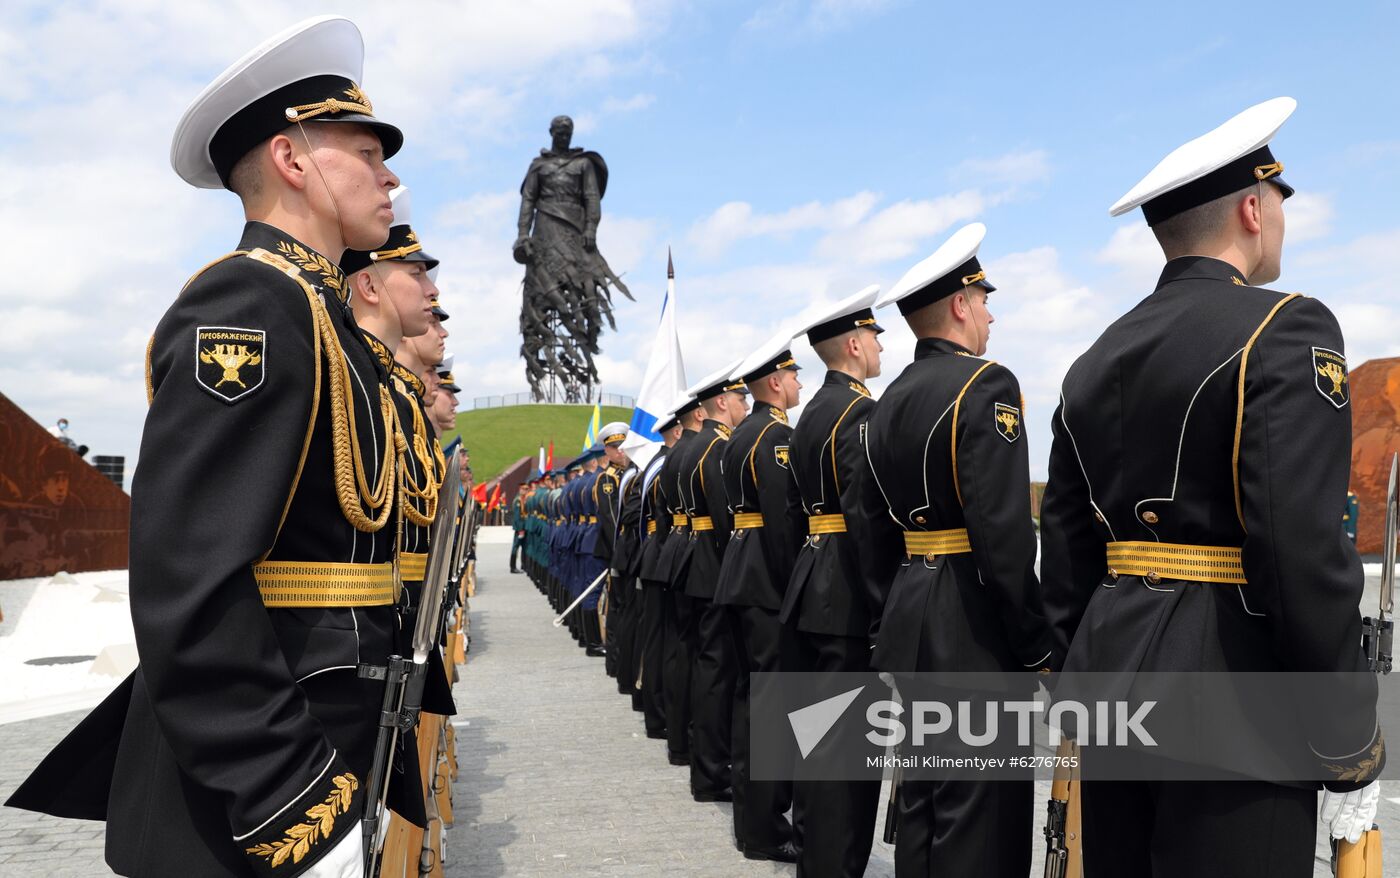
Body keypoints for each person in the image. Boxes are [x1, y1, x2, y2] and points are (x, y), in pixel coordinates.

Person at [8, 16, 406, 877]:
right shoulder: (250, 306)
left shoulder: (321, 316)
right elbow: (189, 577)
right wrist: (289, 794)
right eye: (366, 151)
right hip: (259, 783)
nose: (389, 174)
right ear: (294, 159)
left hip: (329, 722)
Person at [1040, 97, 1383, 877]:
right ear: (1254, 209)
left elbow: (1063, 559)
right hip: (1236, 706)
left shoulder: (1091, 362)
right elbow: (1301, 555)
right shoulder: (1286, 329)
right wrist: (1344, 735)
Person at [856, 223, 1053, 877]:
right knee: (982, 824)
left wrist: (894, 614)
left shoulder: (882, 407)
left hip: (912, 623)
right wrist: (1037, 645)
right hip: (971, 629)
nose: (992, 316)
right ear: (961, 305)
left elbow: (870, 532)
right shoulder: (985, 386)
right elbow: (1004, 536)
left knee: (922, 810)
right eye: (985, 299)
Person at [782, 284, 884, 878]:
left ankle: (818, 858)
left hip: (811, 578)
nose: (877, 346)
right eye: (872, 336)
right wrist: (881, 605)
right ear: (852, 343)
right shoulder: (858, 411)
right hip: (844, 590)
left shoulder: (813, 411)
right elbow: (865, 519)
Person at [715, 328, 805, 863]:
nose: (798, 383)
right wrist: (794, 585)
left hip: (740, 573)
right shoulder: (772, 438)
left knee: (752, 704)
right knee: (770, 710)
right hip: (766, 583)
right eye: (793, 374)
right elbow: (781, 522)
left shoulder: (741, 435)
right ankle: (766, 830)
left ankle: (753, 824)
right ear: (775, 381)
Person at [678, 362, 749, 804]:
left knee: (705, 667)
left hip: (692, 560)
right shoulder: (715, 449)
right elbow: (726, 521)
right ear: (721, 402)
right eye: (740, 398)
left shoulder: (691, 447)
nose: (745, 404)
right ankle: (709, 771)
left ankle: (705, 765)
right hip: (713, 564)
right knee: (717, 674)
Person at [657, 396, 706, 766]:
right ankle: (690, 742)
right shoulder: (704, 450)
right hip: (701, 555)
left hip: (675, 549)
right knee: (699, 656)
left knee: (679, 649)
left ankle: (678, 738)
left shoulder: (671, 456)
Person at [636, 404, 686, 740]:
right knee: (661, 640)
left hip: (654, 553)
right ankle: (657, 713)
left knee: (656, 638)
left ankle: (655, 713)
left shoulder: (656, 464)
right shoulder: (664, 465)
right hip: (664, 552)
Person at [591, 424, 633, 674]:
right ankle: (615, 661)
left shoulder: (629, 473)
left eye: (622, 446)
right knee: (616, 605)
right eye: (615, 447)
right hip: (616, 551)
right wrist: (622, 552)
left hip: (626, 550)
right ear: (606, 450)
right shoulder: (607, 479)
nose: (620, 451)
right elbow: (611, 520)